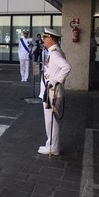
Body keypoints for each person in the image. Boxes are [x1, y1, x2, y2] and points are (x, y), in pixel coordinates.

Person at [38, 28, 71, 156]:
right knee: (50, 121)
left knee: (51, 121)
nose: (43, 40)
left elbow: (67, 66)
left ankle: (53, 148)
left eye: (45, 38)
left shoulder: (55, 53)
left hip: (52, 92)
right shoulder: (55, 51)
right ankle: (50, 144)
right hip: (50, 92)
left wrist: (55, 81)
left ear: (51, 39)